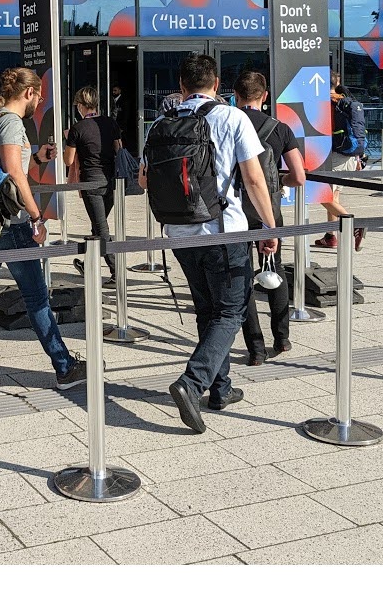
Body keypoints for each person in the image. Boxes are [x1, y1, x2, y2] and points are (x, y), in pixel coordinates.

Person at [143, 52, 278, 432]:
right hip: (224, 230)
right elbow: (253, 179)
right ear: (217, 86)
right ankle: (193, 382)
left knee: (207, 310)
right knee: (231, 311)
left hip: (180, 233)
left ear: (182, 86)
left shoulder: (161, 123)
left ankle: (221, 388)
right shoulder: (231, 117)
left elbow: (143, 180)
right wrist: (269, 227)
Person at [0, 65, 85, 395]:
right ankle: (65, 368)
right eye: (38, 96)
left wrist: (37, 157)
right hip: (11, 223)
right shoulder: (10, 122)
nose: (39, 102)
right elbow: (13, 173)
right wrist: (37, 216)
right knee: (37, 297)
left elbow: (0, 168)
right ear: (28, 93)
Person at [235, 69, 305, 364]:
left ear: (235, 96)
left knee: (240, 278)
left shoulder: (228, 124)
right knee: (273, 268)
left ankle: (256, 348)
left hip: (236, 209)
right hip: (269, 210)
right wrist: (277, 182)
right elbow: (299, 177)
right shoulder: (280, 128)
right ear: (264, 96)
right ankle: (283, 337)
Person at [63, 86, 120, 266]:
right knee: (97, 224)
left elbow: (68, 160)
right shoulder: (110, 123)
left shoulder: (77, 128)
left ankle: (115, 271)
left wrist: (69, 141)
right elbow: (119, 149)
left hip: (91, 183)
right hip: (111, 181)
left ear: (81, 105)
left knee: (101, 229)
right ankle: (89, 266)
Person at [316, 87, 369, 249]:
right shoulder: (346, 101)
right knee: (334, 197)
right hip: (350, 155)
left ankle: (354, 225)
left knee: (323, 197)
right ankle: (331, 236)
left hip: (336, 155)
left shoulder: (330, 103)